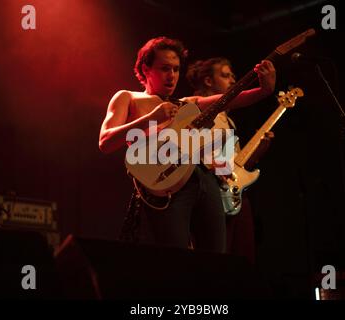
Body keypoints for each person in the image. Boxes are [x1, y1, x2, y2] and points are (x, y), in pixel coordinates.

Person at [99, 37, 276, 254]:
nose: (172, 76)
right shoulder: (128, 97)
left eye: (175, 69)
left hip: (204, 180)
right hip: (167, 185)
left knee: (216, 258)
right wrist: (151, 118)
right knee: (178, 259)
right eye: (164, 68)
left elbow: (228, 100)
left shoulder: (187, 103)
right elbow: (105, 141)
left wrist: (263, 91)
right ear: (145, 69)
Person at [186, 57, 274, 263]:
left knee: (242, 258)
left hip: (233, 195)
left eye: (232, 75)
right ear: (208, 81)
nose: (232, 80)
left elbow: (235, 167)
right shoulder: (196, 110)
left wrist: (258, 151)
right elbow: (184, 151)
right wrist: (210, 165)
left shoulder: (228, 119)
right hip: (209, 194)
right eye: (225, 75)